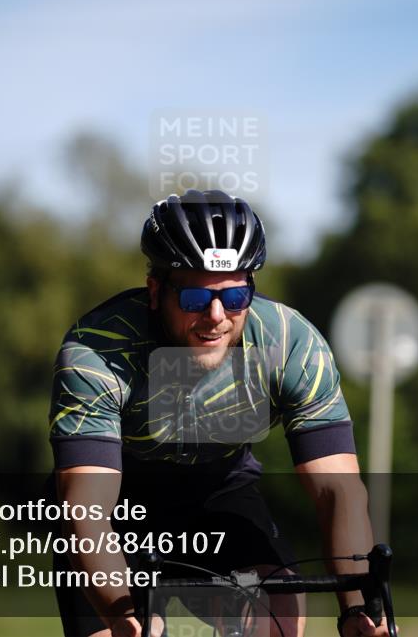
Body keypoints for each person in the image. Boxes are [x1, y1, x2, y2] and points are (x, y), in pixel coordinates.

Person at [49, 190, 390, 637]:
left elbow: (337, 492)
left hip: (219, 490)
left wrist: (358, 612)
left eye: (234, 296)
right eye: (194, 297)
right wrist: (122, 617)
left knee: (277, 612)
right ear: (156, 291)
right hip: (117, 507)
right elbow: (87, 508)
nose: (216, 316)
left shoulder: (291, 345)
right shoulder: (98, 350)